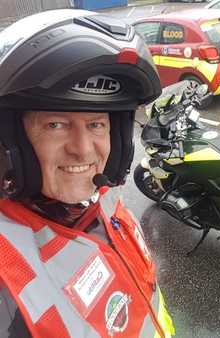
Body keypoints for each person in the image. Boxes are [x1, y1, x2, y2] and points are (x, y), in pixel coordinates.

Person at [0, 9, 175, 338]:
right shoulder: (8, 277)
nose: (82, 149)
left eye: (96, 124)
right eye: (56, 125)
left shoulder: (105, 204)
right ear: (12, 143)